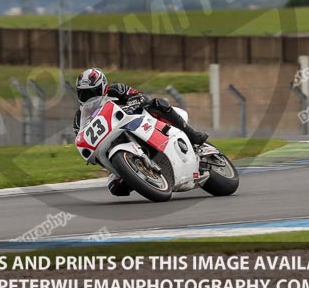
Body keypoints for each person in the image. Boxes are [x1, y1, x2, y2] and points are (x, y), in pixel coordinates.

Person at [72, 67, 209, 196]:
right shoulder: (80, 117)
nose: (88, 96)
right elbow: (81, 136)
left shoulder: (116, 90)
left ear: (103, 87)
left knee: (157, 104)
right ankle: (140, 174)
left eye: (92, 92)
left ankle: (192, 134)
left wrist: (134, 101)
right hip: (113, 144)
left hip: (139, 121)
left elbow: (140, 96)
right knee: (116, 188)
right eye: (83, 93)